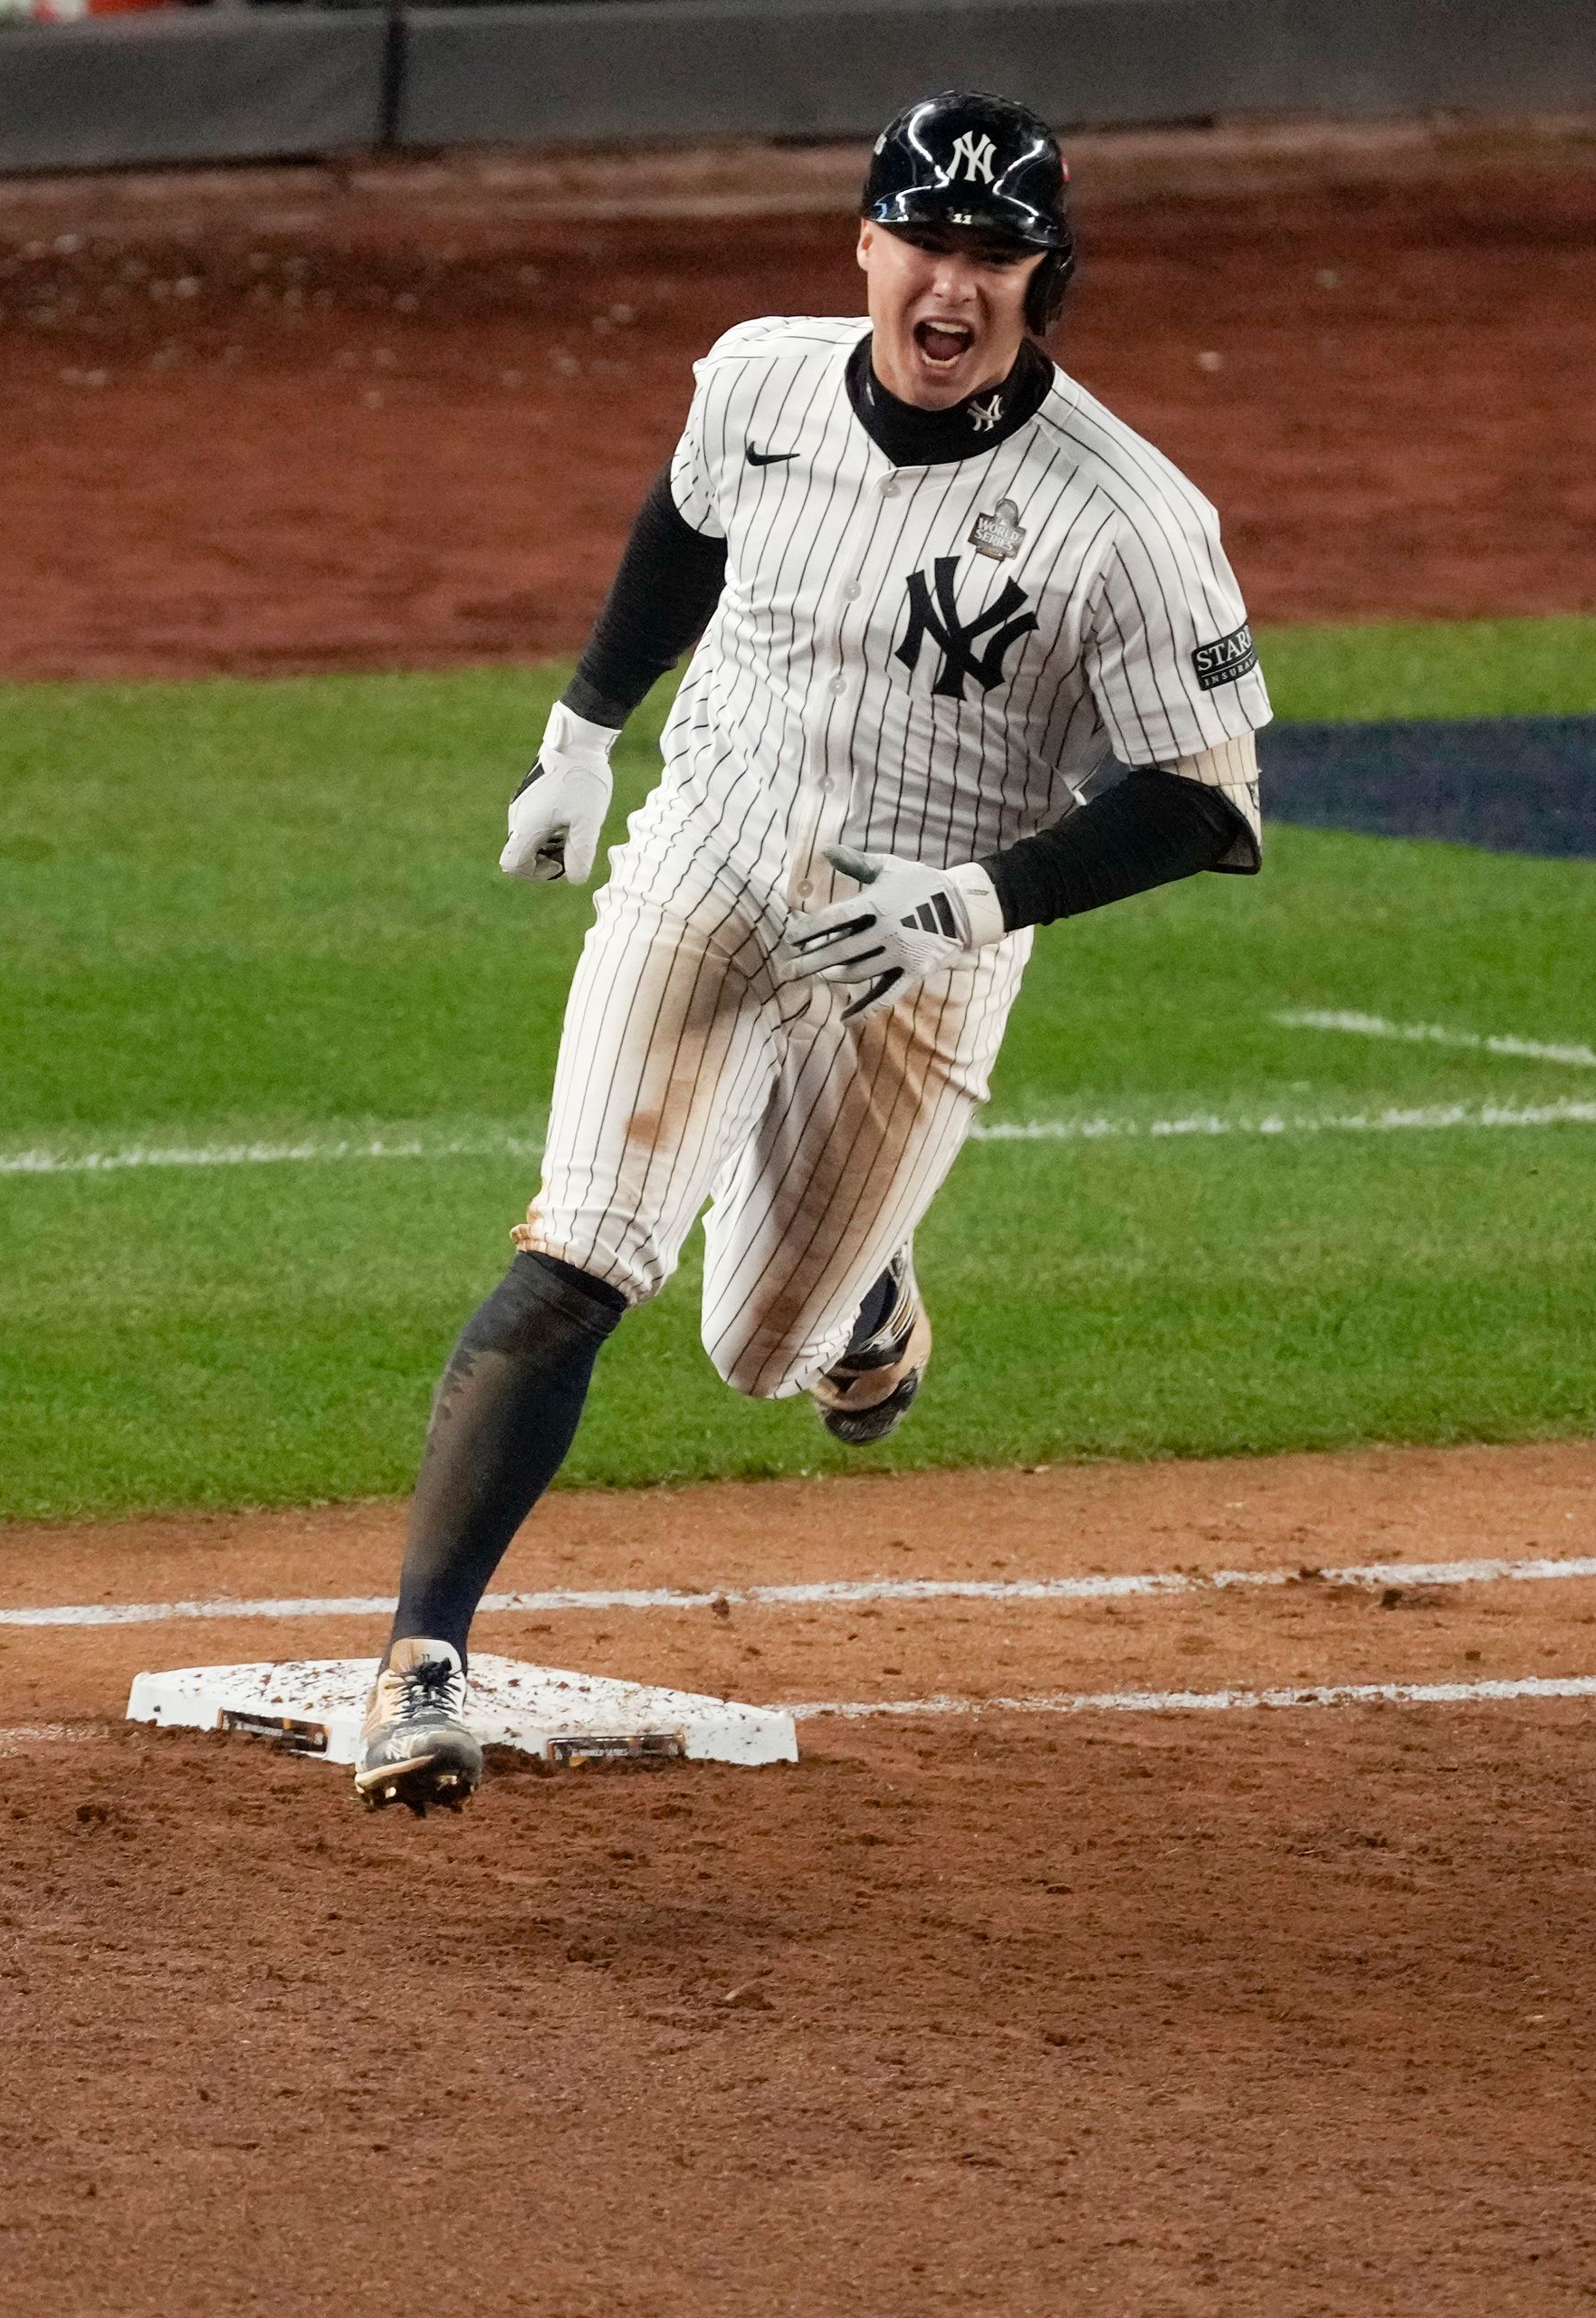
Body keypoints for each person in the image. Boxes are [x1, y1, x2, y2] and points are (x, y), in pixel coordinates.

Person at [350, 89, 1273, 1813]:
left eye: (994, 255)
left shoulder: (1129, 520)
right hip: (707, 859)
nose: (952, 285)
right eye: (924, 240)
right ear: (866, 243)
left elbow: (1205, 802)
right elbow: (682, 527)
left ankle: (859, 1298)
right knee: (581, 1251)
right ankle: (420, 1662)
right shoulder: (760, 381)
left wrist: (975, 901)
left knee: (760, 1352)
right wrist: (582, 732)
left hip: (928, 942)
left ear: (1041, 278)